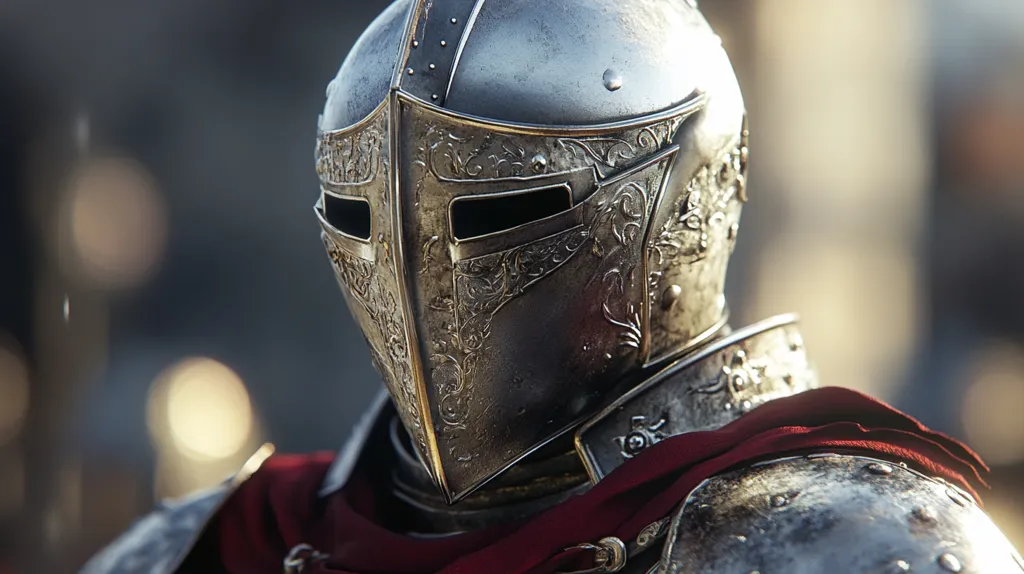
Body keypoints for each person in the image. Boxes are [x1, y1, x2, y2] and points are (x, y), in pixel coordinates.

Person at [82, 1, 1023, 572]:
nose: (420, 271)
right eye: (360, 216)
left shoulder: (844, 545)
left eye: (503, 208)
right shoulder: (209, 548)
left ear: (687, 196)